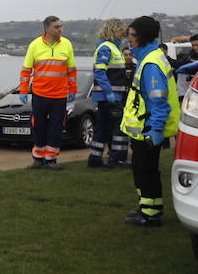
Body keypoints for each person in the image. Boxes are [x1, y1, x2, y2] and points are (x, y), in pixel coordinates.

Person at [119, 15, 179, 227]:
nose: (129, 40)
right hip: (144, 127)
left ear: (142, 36)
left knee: (146, 171)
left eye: (133, 36)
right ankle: (147, 208)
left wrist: (156, 129)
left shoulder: (151, 62)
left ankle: (150, 215)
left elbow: (159, 101)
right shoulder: (150, 57)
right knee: (143, 170)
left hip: (148, 128)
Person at [18, 15, 77, 170]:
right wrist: (23, 90)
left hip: (59, 95)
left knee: (56, 127)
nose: (60, 29)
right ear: (47, 29)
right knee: (38, 126)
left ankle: (51, 159)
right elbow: (26, 71)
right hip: (39, 94)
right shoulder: (35, 45)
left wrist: (73, 90)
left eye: (61, 26)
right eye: (57, 27)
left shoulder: (67, 45)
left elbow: (71, 70)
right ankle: (38, 158)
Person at [86, 18, 129, 169]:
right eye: (120, 30)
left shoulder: (113, 48)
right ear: (113, 30)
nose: (123, 33)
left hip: (110, 96)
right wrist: (109, 92)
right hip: (108, 97)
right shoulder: (107, 48)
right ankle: (116, 159)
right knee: (115, 129)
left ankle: (96, 159)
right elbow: (100, 72)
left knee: (103, 129)